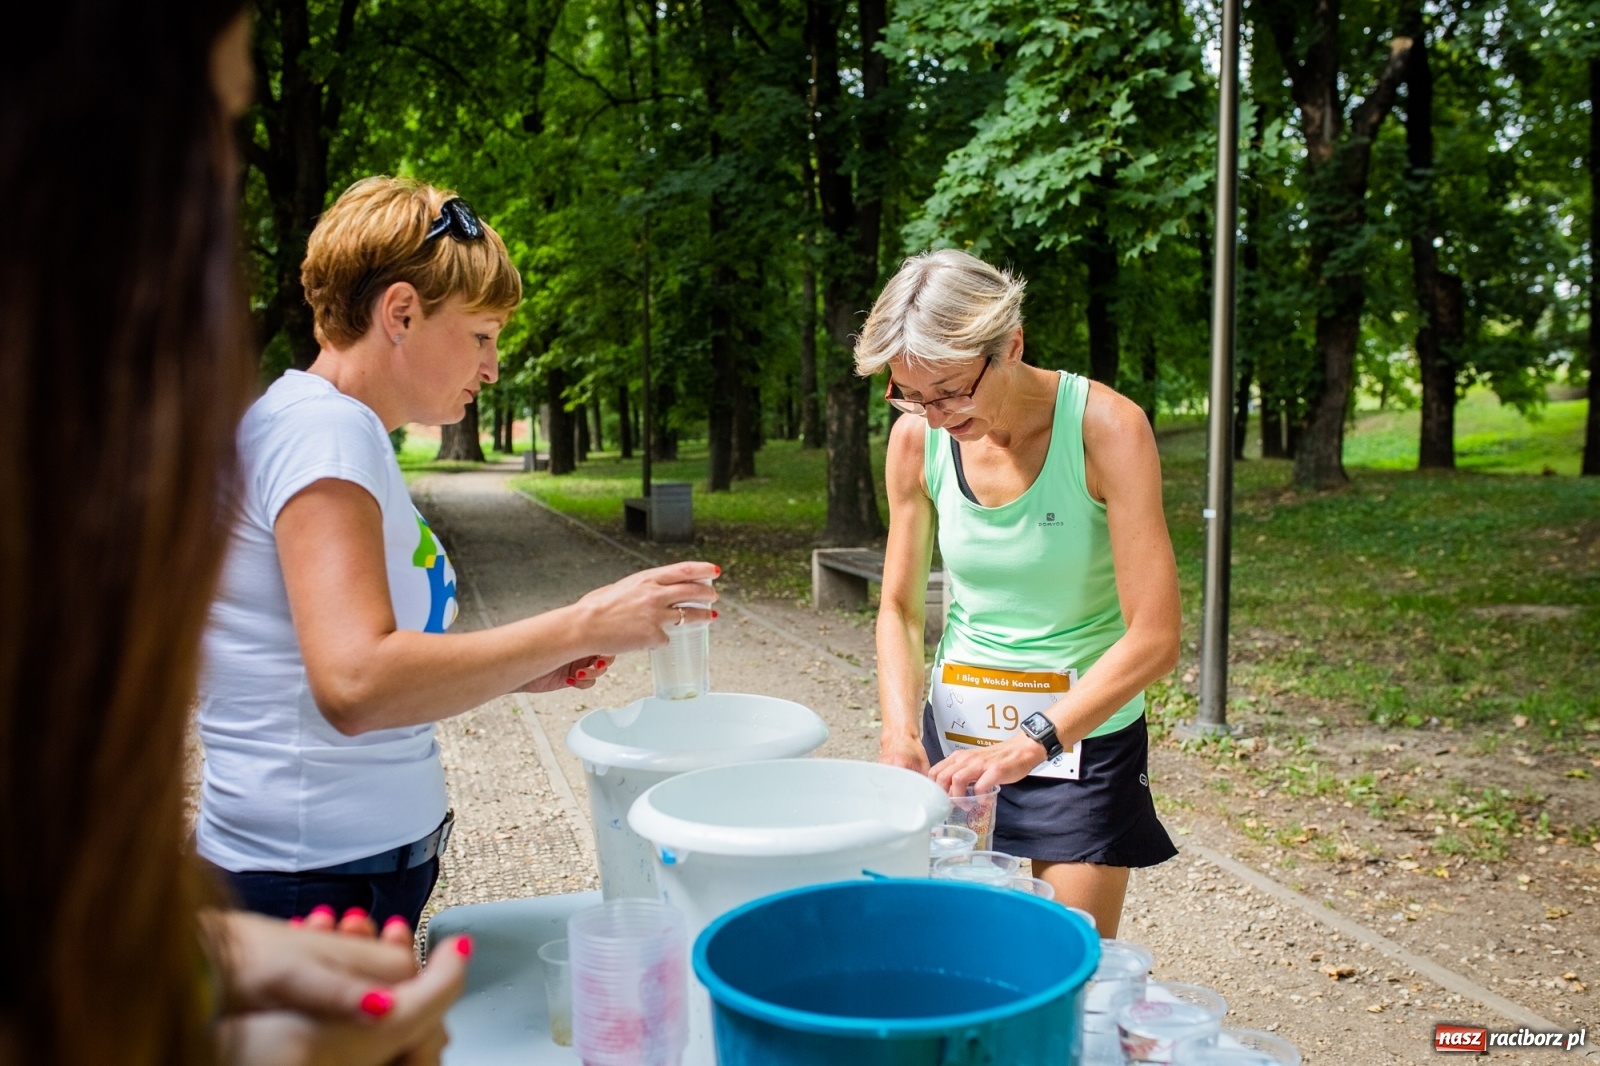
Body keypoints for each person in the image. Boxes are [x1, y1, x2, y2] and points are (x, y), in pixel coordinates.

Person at [1, 3, 468, 1064]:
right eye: (212, 124)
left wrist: (198, 970)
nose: (219, 207)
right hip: (318, 866)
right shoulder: (322, 434)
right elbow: (354, 678)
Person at [196, 175, 719, 930]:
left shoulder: (331, 428)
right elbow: (355, 683)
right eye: (481, 335)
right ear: (400, 313)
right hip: (305, 891)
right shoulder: (324, 434)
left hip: (337, 880)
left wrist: (514, 667)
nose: (493, 367)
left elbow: (351, 663)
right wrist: (585, 622)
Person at [861, 249, 1181, 936]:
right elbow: (899, 606)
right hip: (957, 740)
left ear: (1010, 345)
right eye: (910, 394)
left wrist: (1036, 740)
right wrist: (897, 733)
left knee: (1063, 965)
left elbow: (1154, 637)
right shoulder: (916, 440)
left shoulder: (1107, 429)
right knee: (955, 950)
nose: (934, 415)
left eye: (949, 391)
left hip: (1080, 741)